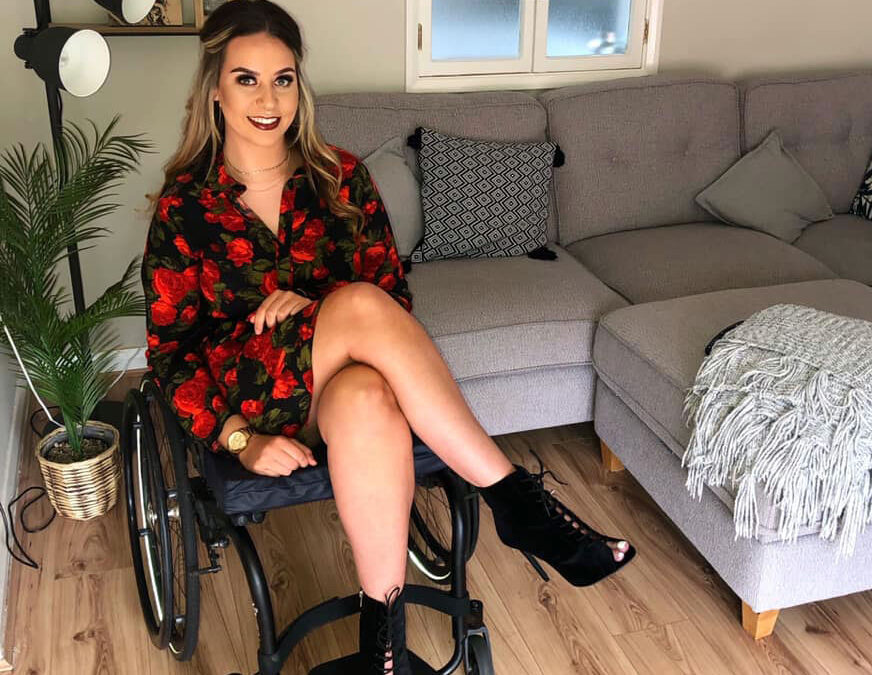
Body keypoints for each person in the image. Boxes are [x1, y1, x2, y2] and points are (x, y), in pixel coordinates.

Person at [141, 1, 636, 672]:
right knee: (359, 304)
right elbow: (171, 354)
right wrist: (239, 438)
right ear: (215, 89)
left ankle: (382, 645)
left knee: (370, 391)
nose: (268, 99)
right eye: (247, 79)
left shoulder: (340, 176)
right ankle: (516, 500)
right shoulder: (186, 206)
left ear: (300, 86)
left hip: (336, 389)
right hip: (252, 397)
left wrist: (321, 312)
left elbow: (392, 301)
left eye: (283, 79)